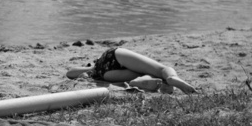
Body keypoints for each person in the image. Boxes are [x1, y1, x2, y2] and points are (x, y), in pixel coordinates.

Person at [66, 46, 197, 94]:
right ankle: (172, 77)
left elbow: (69, 73)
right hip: (114, 56)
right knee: (162, 69)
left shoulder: (95, 70)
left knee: (145, 73)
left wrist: (91, 68)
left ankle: (140, 82)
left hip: (107, 75)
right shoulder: (105, 57)